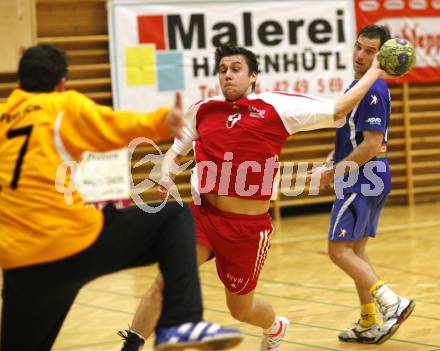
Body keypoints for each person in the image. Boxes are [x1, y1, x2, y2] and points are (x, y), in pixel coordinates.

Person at [0, 45, 244, 351]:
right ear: (62, 82)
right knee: (173, 216)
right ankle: (180, 322)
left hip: (19, 264)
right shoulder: (62, 106)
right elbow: (115, 126)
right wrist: (161, 122)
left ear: (18, 82)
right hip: (72, 242)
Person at [157, 43, 396, 350]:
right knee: (166, 281)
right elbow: (175, 153)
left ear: (253, 76)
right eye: (222, 70)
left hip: (246, 227)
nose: (227, 75)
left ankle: (274, 326)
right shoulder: (205, 110)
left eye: (235, 69)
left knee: (240, 309)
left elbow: (338, 108)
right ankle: (136, 341)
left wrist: (375, 70)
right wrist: (165, 173)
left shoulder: (273, 107)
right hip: (203, 215)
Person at [308, 25, 415, 344]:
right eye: (358, 47)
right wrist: (332, 160)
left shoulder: (373, 90)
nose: (360, 54)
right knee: (355, 250)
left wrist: (335, 172)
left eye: (369, 51)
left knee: (338, 251)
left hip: (363, 178)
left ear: (382, 56)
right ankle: (369, 319)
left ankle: (392, 302)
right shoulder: (361, 85)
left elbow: (371, 143)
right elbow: (350, 138)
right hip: (368, 177)